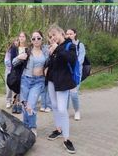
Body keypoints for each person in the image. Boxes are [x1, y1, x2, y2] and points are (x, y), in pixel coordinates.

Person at [45, 26, 77, 154]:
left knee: (62, 109)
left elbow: (72, 59)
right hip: (52, 81)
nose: (52, 38)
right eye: (50, 36)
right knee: (54, 105)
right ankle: (58, 130)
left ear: (61, 33)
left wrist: (57, 49)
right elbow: (52, 64)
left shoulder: (70, 45)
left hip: (63, 83)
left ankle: (67, 139)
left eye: (54, 34)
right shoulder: (54, 47)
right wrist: (46, 66)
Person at [12, 30, 49, 136]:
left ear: (42, 39)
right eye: (34, 38)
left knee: (30, 105)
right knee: (24, 105)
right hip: (26, 81)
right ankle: (25, 126)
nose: (36, 40)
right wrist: (19, 57)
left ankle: (32, 127)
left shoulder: (46, 51)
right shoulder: (27, 51)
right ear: (31, 40)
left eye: (38, 38)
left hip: (38, 82)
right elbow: (14, 63)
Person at [66, 28, 86, 121]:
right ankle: (64, 111)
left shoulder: (79, 45)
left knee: (73, 94)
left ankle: (77, 111)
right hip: (66, 73)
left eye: (71, 34)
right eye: (67, 34)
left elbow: (80, 60)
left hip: (76, 74)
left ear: (75, 34)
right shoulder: (65, 45)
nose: (69, 35)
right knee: (66, 94)